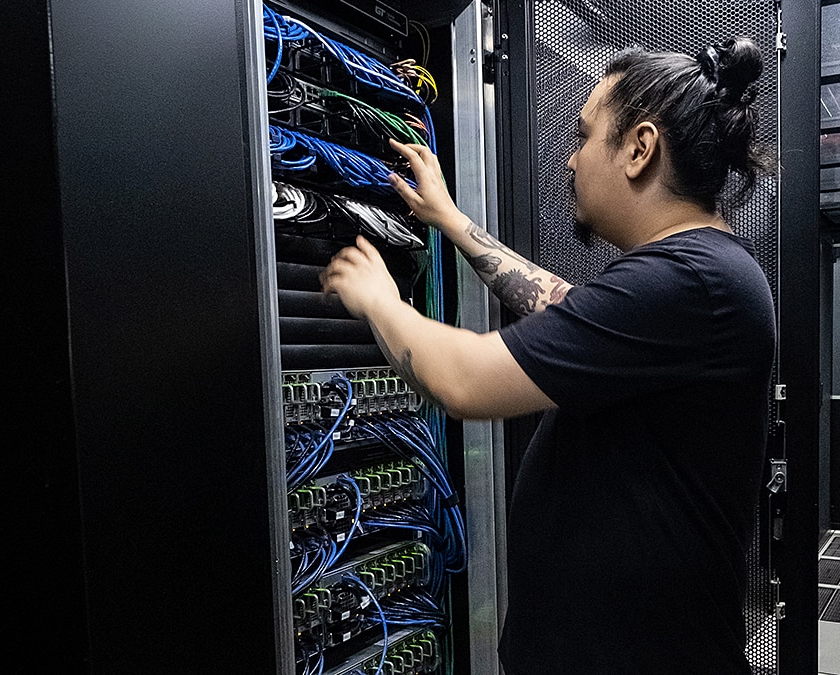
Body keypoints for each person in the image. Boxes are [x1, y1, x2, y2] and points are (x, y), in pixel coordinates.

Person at [321, 36, 776, 675]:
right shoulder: (702, 275)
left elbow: (463, 382)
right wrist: (452, 221)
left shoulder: (692, 280)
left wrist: (379, 301)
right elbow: (556, 302)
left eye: (584, 136)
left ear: (640, 149)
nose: (569, 160)